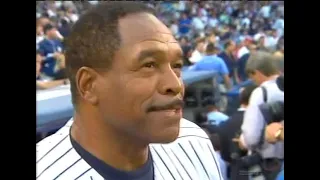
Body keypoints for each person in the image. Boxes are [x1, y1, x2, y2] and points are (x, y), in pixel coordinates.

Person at [36, 2, 223, 180]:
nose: (176, 85)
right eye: (149, 65)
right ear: (89, 85)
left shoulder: (193, 142)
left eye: (177, 66)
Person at [238, 51, 284, 180]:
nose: (252, 80)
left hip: (268, 164)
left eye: (251, 75)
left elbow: (251, 137)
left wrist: (243, 140)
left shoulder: (260, 93)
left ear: (256, 72)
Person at [219, 84, 258, 180]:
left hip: (238, 173)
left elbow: (225, 156)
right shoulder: (263, 120)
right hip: (263, 171)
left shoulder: (225, 124)